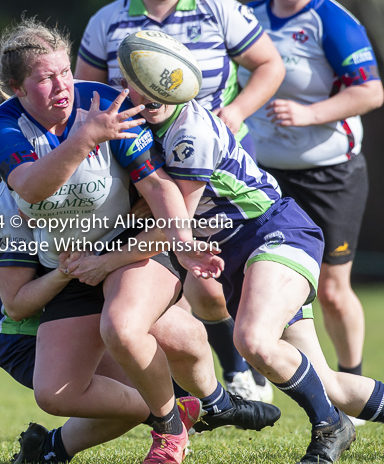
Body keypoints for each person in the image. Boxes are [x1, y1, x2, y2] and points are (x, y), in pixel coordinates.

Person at [0, 19, 279, 464]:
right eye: (44, 78)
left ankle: (192, 415)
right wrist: (86, 138)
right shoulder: (4, 127)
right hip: (76, 264)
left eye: (65, 71)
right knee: (55, 393)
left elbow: (157, 185)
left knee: (149, 330)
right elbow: (32, 188)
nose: (62, 85)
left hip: (130, 242)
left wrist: (182, 239)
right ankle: (190, 409)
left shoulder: (101, 102)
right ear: (16, 88)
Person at [120, 48, 384, 463]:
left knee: (253, 340)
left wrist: (105, 258)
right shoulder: (135, 129)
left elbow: (178, 223)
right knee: (328, 384)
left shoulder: (188, 132)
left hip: (274, 235)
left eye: (158, 87)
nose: (147, 96)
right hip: (236, 259)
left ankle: (329, 426)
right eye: (136, 86)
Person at [75, 0, 286, 401]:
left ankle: (247, 367)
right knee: (197, 284)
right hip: (149, 162)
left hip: (218, 161)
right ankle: (225, 376)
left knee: (221, 281)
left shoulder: (218, 9)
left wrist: (237, 112)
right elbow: (87, 97)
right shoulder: (106, 20)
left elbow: (270, 64)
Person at [236, 0, 384, 400]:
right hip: (264, 173)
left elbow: (371, 92)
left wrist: (310, 113)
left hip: (330, 174)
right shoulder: (247, 13)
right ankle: (253, 378)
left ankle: (350, 383)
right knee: (251, 274)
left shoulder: (332, 20)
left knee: (333, 291)